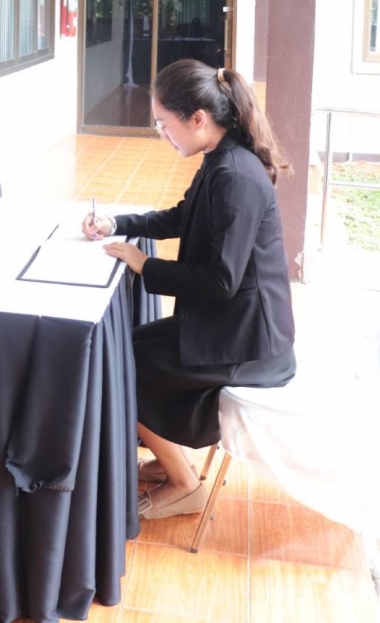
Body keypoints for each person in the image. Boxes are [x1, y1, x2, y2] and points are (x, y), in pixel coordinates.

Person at [82, 59, 296, 520]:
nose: (162, 134)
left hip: (247, 342)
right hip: (227, 325)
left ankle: (184, 484)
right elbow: (184, 216)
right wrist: (118, 223)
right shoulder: (222, 156)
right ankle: (170, 461)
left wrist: (145, 264)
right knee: (120, 349)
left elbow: (221, 280)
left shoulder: (235, 174)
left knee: (117, 363)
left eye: (164, 123)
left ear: (197, 118)